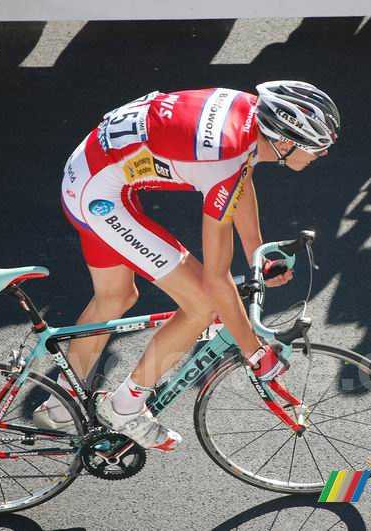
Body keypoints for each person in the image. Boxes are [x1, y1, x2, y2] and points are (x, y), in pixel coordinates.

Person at [34, 81, 340, 451]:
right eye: (318, 147)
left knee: (115, 297)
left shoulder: (246, 115)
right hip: (100, 193)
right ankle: (125, 407)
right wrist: (256, 352)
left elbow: (241, 181)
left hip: (88, 171)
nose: (322, 155)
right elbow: (216, 280)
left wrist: (258, 253)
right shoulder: (224, 160)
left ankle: (59, 406)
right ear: (286, 140)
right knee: (204, 303)